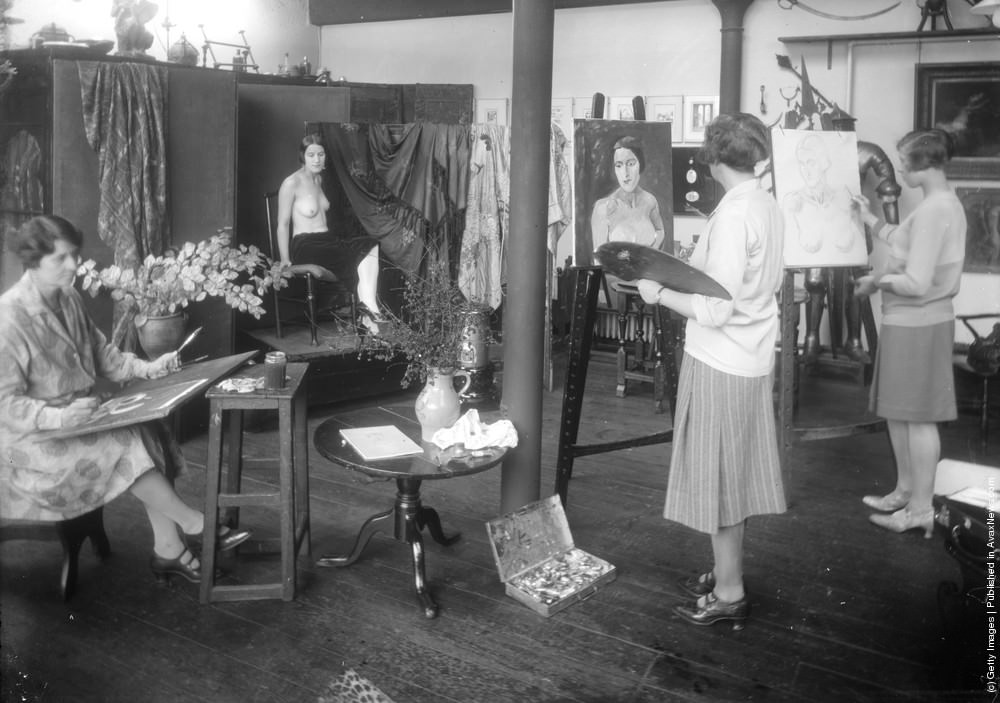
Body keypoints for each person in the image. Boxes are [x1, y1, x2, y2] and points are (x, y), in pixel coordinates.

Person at [0, 215, 250, 585]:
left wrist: (151, 368)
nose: (73, 265)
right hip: (31, 443)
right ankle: (197, 525)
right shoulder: (8, 319)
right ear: (32, 262)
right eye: (61, 259)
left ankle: (168, 548)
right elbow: (5, 406)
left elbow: (105, 356)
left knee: (146, 427)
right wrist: (62, 417)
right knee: (124, 441)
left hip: (79, 418)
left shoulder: (68, 298)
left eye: (74, 255)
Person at [635, 113, 786, 631]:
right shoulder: (764, 204)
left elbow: (717, 309)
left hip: (721, 361)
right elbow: (742, 285)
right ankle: (726, 572)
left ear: (714, 159)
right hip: (750, 357)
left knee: (721, 482)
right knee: (731, 478)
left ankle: (729, 590)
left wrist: (659, 293)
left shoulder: (734, 215)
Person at [852, 128, 967, 538]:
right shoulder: (934, 206)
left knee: (917, 419)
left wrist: (877, 282)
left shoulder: (937, 209)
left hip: (921, 323)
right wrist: (871, 220)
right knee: (899, 412)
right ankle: (905, 490)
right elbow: (907, 239)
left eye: (904, 162)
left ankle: (920, 508)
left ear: (922, 165)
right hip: (907, 324)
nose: (899, 168)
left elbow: (917, 282)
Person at [276, 133, 383, 335]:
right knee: (356, 253)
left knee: (370, 243)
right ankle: (367, 309)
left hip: (327, 242)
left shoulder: (320, 180)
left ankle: (367, 304)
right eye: (311, 155)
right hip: (305, 245)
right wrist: (284, 259)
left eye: (321, 154)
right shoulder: (291, 183)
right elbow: (283, 224)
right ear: (302, 157)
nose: (317, 159)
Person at [590, 136, 666, 253]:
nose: (625, 173)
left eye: (630, 164)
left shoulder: (650, 200)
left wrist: (652, 254)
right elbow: (599, 259)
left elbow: (660, 230)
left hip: (649, 270)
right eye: (619, 165)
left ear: (640, 165)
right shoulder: (603, 208)